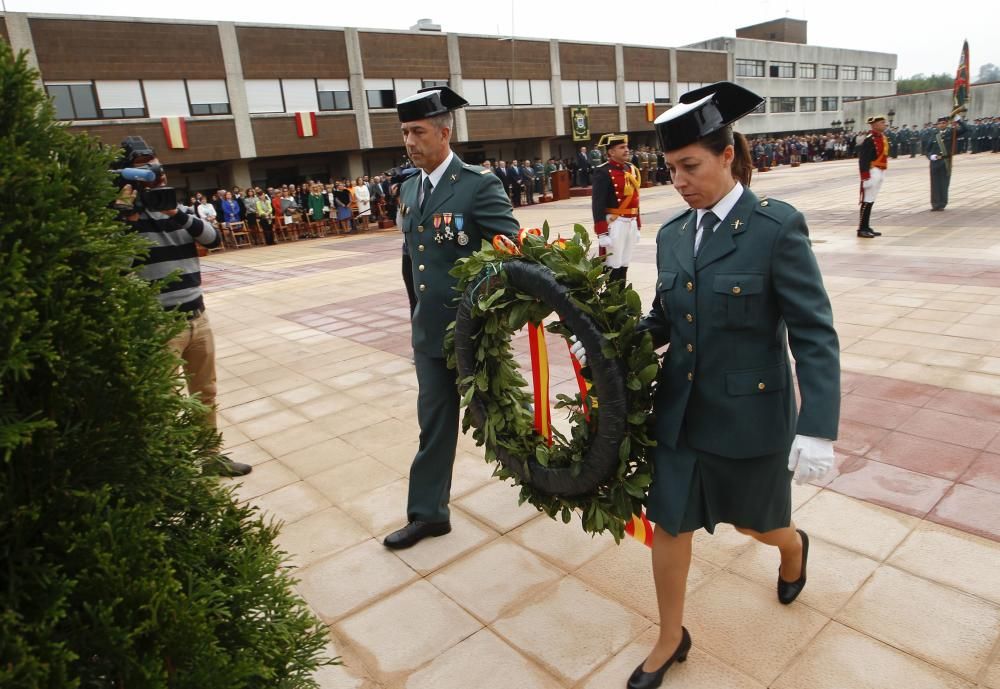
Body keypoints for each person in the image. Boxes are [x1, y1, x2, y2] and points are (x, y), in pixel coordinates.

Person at [573, 82, 839, 689]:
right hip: (683, 413)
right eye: (670, 170)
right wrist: (610, 355)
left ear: (727, 154)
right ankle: (670, 637)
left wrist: (818, 426)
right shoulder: (671, 235)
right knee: (670, 523)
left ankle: (792, 545)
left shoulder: (776, 228)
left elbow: (815, 334)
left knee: (754, 525)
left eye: (690, 166)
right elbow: (664, 322)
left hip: (750, 417)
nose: (680, 181)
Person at [382, 86, 519, 550]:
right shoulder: (407, 188)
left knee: (503, 416)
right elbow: (411, 260)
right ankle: (428, 514)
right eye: (404, 132)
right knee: (433, 423)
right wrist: (417, 314)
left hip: (474, 334)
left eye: (418, 131)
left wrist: (486, 317)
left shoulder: (479, 184)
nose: (409, 141)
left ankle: (554, 482)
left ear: (444, 132)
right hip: (429, 336)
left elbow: (511, 255)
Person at [115, 137, 251, 477]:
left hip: (197, 317)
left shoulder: (177, 209)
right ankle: (166, 467)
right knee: (160, 400)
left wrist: (175, 213)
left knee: (205, 391)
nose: (154, 177)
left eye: (156, 169)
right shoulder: (122, 218)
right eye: (143, 170)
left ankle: (209, 457)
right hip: (156, 324)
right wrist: (126, 216)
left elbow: (212, 238)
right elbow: (118, 262)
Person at [590, 133, 642, 283]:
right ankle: (612, 300)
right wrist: (602, 233)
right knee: (613, 265)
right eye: (621, 147)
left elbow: (635, 198)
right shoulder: (603, 171)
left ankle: (621, 297)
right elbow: (598, 203)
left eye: (626, 146)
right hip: (615, 223)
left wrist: (637, 224)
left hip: (630, 221)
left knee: (625, 264)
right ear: (611, 152)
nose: (626, 150)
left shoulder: (631, 168)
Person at [925, 114, 968, 211]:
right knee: (935, 184)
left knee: (944, 183)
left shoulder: (952, 133)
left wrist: (959, 120)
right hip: (935, 163)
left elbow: (966, 129)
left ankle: (942, 203)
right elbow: (927, 150)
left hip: (946, 161)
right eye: (939, 123)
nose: (941, 125)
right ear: (937, 125)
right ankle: (935, 204)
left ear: (947, 123)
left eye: (943, 123)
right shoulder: (933, 135)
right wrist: (930, 156)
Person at [856, 115, 888, 238]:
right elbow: (863, 159)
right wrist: (865, 177)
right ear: (874, 125)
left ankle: (866, 226)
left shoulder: (882, 138)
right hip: (872, 171)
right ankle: (861, 228)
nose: (885, 124)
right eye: (882, 122)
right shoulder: (869, 139)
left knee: (871, 201)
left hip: (880, 170)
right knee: (866, 201)